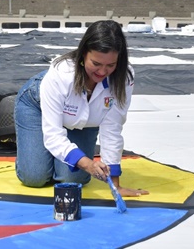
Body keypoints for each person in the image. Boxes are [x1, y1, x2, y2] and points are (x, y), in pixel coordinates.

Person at [14, 19, 148, 198]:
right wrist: (86, 163)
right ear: (83, 55)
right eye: (96, 64)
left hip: (84, 122)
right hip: (36, 107)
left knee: (72, 178)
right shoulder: (61, 75)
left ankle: (57, 157)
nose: (102, 72)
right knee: (35, 177)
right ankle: (32, 148)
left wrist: (114, 184)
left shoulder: (124, 77)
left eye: (111, 65)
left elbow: (112, 127)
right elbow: (53, 134)